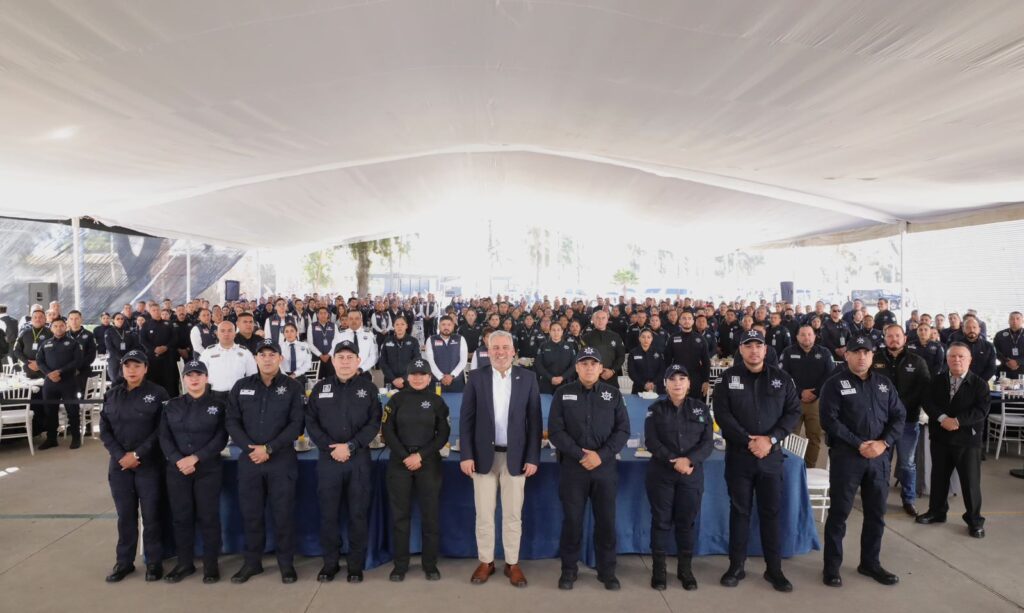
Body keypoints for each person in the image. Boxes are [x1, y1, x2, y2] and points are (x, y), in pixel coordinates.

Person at [713, 329, 800, 592]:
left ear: (765, 350)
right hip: (739, 457)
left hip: (770, 458)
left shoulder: (782, 379)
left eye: (758, 346)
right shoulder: (728, 378)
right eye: (748, 346)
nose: (754, 350)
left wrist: (770, 440)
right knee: (739, 512)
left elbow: (792, 412)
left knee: (770, 513)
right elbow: (722, 414)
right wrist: (747, 440)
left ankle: (774, 570)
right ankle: (736, 566)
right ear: (740, 349)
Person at [819, 336, 905, 588]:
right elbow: (830, 421)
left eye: (866, 352)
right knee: (839, 514)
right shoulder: (834, 384)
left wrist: (883, 443)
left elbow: (899, 416)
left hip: (879, 458)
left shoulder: (884, 384)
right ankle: (831, 568)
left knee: (876, 514)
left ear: (872, 355)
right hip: (847, 458)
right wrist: (858, 444)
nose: (861, 357)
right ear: (846, 355)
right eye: (856, 352)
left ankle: (870, 563)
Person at [459, 330, 542, 587]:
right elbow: (466, 419)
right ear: (488, 351)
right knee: (484, 514)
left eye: (505, 347)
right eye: (495, 347)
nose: (501, 352)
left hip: (516, 458)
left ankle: (512, 563)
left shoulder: (527, 378)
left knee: (513, 515)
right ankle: (486, 561)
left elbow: (535, 421)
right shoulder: (476, 377)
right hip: (482, 458)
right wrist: (466, 455)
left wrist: (533, 457)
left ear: (513, 351)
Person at [548, 347, 630, 591]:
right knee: (572, 522)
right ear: (577, 367)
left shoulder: (613, 394)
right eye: (584, 363)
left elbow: (623, 430)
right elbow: (556, 431)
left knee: (606, 521)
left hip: (604, 469)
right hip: (573, 468)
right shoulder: (562, 393)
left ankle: (607, 571)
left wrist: (600, 456)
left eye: (594, 363)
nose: (589, 368)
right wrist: (581, 454)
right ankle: (568, 570)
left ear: (601, 368)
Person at [225, 339, 305, 584]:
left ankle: (286, 564)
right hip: (250, 460)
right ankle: (252, 563)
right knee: (251, 515)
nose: (267, 358)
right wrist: (250, 448)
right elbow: (231, 421)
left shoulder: (293, 387)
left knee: (283, 515)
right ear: (255, 358)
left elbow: (296, 424)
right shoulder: (241, 386)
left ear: (280, 358)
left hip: (281, 461)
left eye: (272, 354)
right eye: (262, 354)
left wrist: (269, 448)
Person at [305, 340, 382, 582]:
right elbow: (311, 422)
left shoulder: (369, 389)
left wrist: (350, 446)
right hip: (329, 461)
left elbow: (374, 422)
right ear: (333, 361)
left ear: (358, 361)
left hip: (358, 460)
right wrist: (332, 447)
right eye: (341, 357)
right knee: (328, 514)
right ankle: (330, 563)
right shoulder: (321, 388)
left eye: (350, 357)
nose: (345, 362)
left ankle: (355, 565)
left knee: (357, 514)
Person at [99, 350, 170, 582]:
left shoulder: (158, 393)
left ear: (145, 368)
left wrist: (137, 454)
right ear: (121, 369)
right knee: (125, 516)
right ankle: (124, 562)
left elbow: (162, 430)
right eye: (127, 366)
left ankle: (154, 562)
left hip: (149, 464)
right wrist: (121, 455)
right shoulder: (112, 394)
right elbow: (105, 430)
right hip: (120, 465)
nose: (132, 370)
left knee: (151, 515)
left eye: (137, 366)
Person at [644, 364, 713, 591]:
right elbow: (651, 441)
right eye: (672, 379)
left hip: (691, 475)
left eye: (682, 379)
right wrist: (675, 460)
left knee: (686, 523)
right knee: (661, 522)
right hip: (662, 474)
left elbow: (707, 442)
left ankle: (685, 570)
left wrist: (689, 460)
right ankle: (659, 571)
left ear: (689, 383)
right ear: (665, 384)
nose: (677, 383)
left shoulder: (700, 409)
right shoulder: (655, 410)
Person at [381, 358, 451, 581]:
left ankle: (430, 565)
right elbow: (387, 431)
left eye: (423, 375)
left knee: (430, 516)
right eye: (414, 374)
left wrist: (420, 456)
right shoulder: (395, 400)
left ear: (429, 378)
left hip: (428, 462)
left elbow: (443, 434)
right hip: (400, 463)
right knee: (400, 516)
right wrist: (406, 456)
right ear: (407, 377)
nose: (418, 378)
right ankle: (400, 565)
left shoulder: (437, 402)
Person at [159, 360, 227, 583]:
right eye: (190, 375)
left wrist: (196, 457)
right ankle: (184, 563)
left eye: (199, 374)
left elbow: (220, 438)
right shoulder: (171, 405)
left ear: (206, 378)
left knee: (209, 518)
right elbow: (164, 437)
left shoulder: (218, 406)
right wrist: (179, 460)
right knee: (181, 518)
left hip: (208, 469)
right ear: (184, 379)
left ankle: (211, 565)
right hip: (178, 470)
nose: (194, 379)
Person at [917, 343, 989, 538]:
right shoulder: (937, 380)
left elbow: (981, 410)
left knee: (970, 483)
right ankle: (937, 512)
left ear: (969, 360)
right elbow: (927, 401)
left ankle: (975, 521)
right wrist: (942, 419)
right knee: (938, 478)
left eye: (961, 356)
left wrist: (957, 421)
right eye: (952, 356)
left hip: (967, 440)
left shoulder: (979, 384)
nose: (957, 360)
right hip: (941, 437)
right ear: (947, 359)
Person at [871, 325, 931, 516]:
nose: (894, 339)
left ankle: (909, 500)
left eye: (897, 336)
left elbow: (924, 389)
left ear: (904, 338)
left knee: (907, 463)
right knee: (882, 463)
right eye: (890, 336)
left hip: (908, 421)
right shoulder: (875, 359)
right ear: (884, 338)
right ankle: (878, 499)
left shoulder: (917, 361)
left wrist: (900, 407)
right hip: (881, 423)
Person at [780, 324, 836, 468]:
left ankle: (809, 468)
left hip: (816, 402)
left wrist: (816, 392)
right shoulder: (788, 352)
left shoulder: (824, 353)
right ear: (797, 337)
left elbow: (830, 376)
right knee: (790, 437)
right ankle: (791, 469)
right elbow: (784, 376)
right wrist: (800, 392)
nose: (807, 337)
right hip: (793, 401)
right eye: (803, 334)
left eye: (810, 334)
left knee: (814, 437)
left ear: (815, 336)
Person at [36, 317, 85, 449]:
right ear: (51, 328)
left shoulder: (74, 343)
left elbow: (78, 361)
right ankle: (51, 439)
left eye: (61, 325)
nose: (58, 328)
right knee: (50, 411)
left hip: (68, 382)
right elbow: (39, 361)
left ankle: (76, 438)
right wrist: (49, 373)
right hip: (50, 383)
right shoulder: (45, 343)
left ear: (66, 327)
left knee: (72, 410)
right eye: (55, 326)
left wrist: (60, 371)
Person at [11, 308, 52, 434]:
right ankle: (30, 430)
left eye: (41, 317)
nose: (38, 319)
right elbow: (16, 350)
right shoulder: (24, 332)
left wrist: (40, 364)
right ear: (31, 319)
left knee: (43, 403)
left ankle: (44, 428)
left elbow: (54, 353)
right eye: (35, 317)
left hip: (44, 373)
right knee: (30, 402)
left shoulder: (50, 333)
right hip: (28, 373)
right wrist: (28, 362)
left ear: (45, 319)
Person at [199, 321, 258, 401]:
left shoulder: (245, 352)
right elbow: (201, 375)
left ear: (235, 334)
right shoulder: (208, 352)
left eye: (230, 331)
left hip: (238, 396)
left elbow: (252, 376)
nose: (226, 334)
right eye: (222, 331)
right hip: (214, 396)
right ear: (217, 334)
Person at [666, 312, 712, 399]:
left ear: (693, 321)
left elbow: (706, 361)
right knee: (677, 404)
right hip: (677, 378)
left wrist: (706, 381)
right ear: (679, 321)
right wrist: (667, 378)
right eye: (684, 318)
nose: (687, 321)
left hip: (696, 378)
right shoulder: (673, 338)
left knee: (695, 404)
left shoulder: (700, 339)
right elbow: (667, 360)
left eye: (689, 318)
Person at [140, 303, 179, 397]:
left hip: (168, 358)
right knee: (153, 380)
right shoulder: (146, 325)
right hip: (153, 359)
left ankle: (171, 400)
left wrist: (166, 347)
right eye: (153, 310)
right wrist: (154, 349)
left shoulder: (168, 324)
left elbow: (175, 338)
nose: (156, 312)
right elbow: (142, 340)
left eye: (158, 310)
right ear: (150, 312)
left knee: (170, 381)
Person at [580, 309, 626, 384]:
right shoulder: (586, 338)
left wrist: (612, 371)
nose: (600, 320)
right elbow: (583, 358)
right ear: (593, 320)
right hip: (592, 377)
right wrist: (596, 370)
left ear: (607, 320)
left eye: (603, 318)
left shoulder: (615, 336)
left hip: (611, 376)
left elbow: (621, 356)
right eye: (597, 318)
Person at [426, 316, 468, 393]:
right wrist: (441, 377)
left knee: (457, 401)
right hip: (437, 381)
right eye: (443, 324)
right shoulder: (431, 340)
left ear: (453, 326)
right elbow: (430, 362)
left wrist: (452, 376)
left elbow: (463, 361)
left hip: (456, 381)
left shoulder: (460, 339)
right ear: (439, 326)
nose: (446, 327)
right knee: (436, 400)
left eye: (449, 325)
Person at [379, 316, 421, 391]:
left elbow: (417, 361)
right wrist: (393, 379)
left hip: (408, 380)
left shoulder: (413, 341)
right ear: (393, 326)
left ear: (406, 326)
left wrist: (403, 378)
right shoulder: (387, 341)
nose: (399, 327)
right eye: (397, 324)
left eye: (402, 324)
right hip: (390, 380)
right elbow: (382, 362)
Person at [534, 321, 576, 394]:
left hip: (565, 383)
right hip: (546, 383)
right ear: (550, 332)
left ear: (562, 332)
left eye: (558, 330)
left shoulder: (569, 346)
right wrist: (550, 378)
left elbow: (574, 365)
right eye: (553, 330)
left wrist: (562, 377)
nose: (556, 332)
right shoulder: (543, 346)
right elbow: (538, 364)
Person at [628, 328, 666, 395]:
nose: (646, 339)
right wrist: (643, 384)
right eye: (643, 337)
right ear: (639, 338)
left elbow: (662, 370)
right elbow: (632, 372)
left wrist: (653, 383)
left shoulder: (658, 352)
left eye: (648, 337)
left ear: (652, 339)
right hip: (639, 387)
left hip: (657, 388)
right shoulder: (633, 353)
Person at [961, 316, 997, 382]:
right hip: (961, 382)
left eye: (974, 327)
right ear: (963, 329)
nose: (972, 330)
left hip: (982, 383)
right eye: (968, 327)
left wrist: (979, 382)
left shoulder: (989, 346)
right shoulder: (956, 346)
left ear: (979, 329)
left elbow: (992, 367)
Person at [308, 306, 340, 379]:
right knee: (317, 379)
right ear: (317, 315)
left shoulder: (333, 326)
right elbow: (310, 344)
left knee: (332, 379)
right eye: (321, 313)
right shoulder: (312, 326)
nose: (323, 315)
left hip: (331, 357)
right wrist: (320, 355)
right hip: (317, 357)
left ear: (328, 314)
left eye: (325, 313)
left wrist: (329, 354)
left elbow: (337, 342)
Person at [994, 311, 1024, 378]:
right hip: (1004, 370)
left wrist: (1018, 362)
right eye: (1012, 318)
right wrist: (1006, 361)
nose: (1014, 321)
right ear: (1008, 321)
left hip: (1022, 370)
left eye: (1017, 318)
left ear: (1022, 321)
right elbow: (995, 351)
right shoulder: (1000, 335)